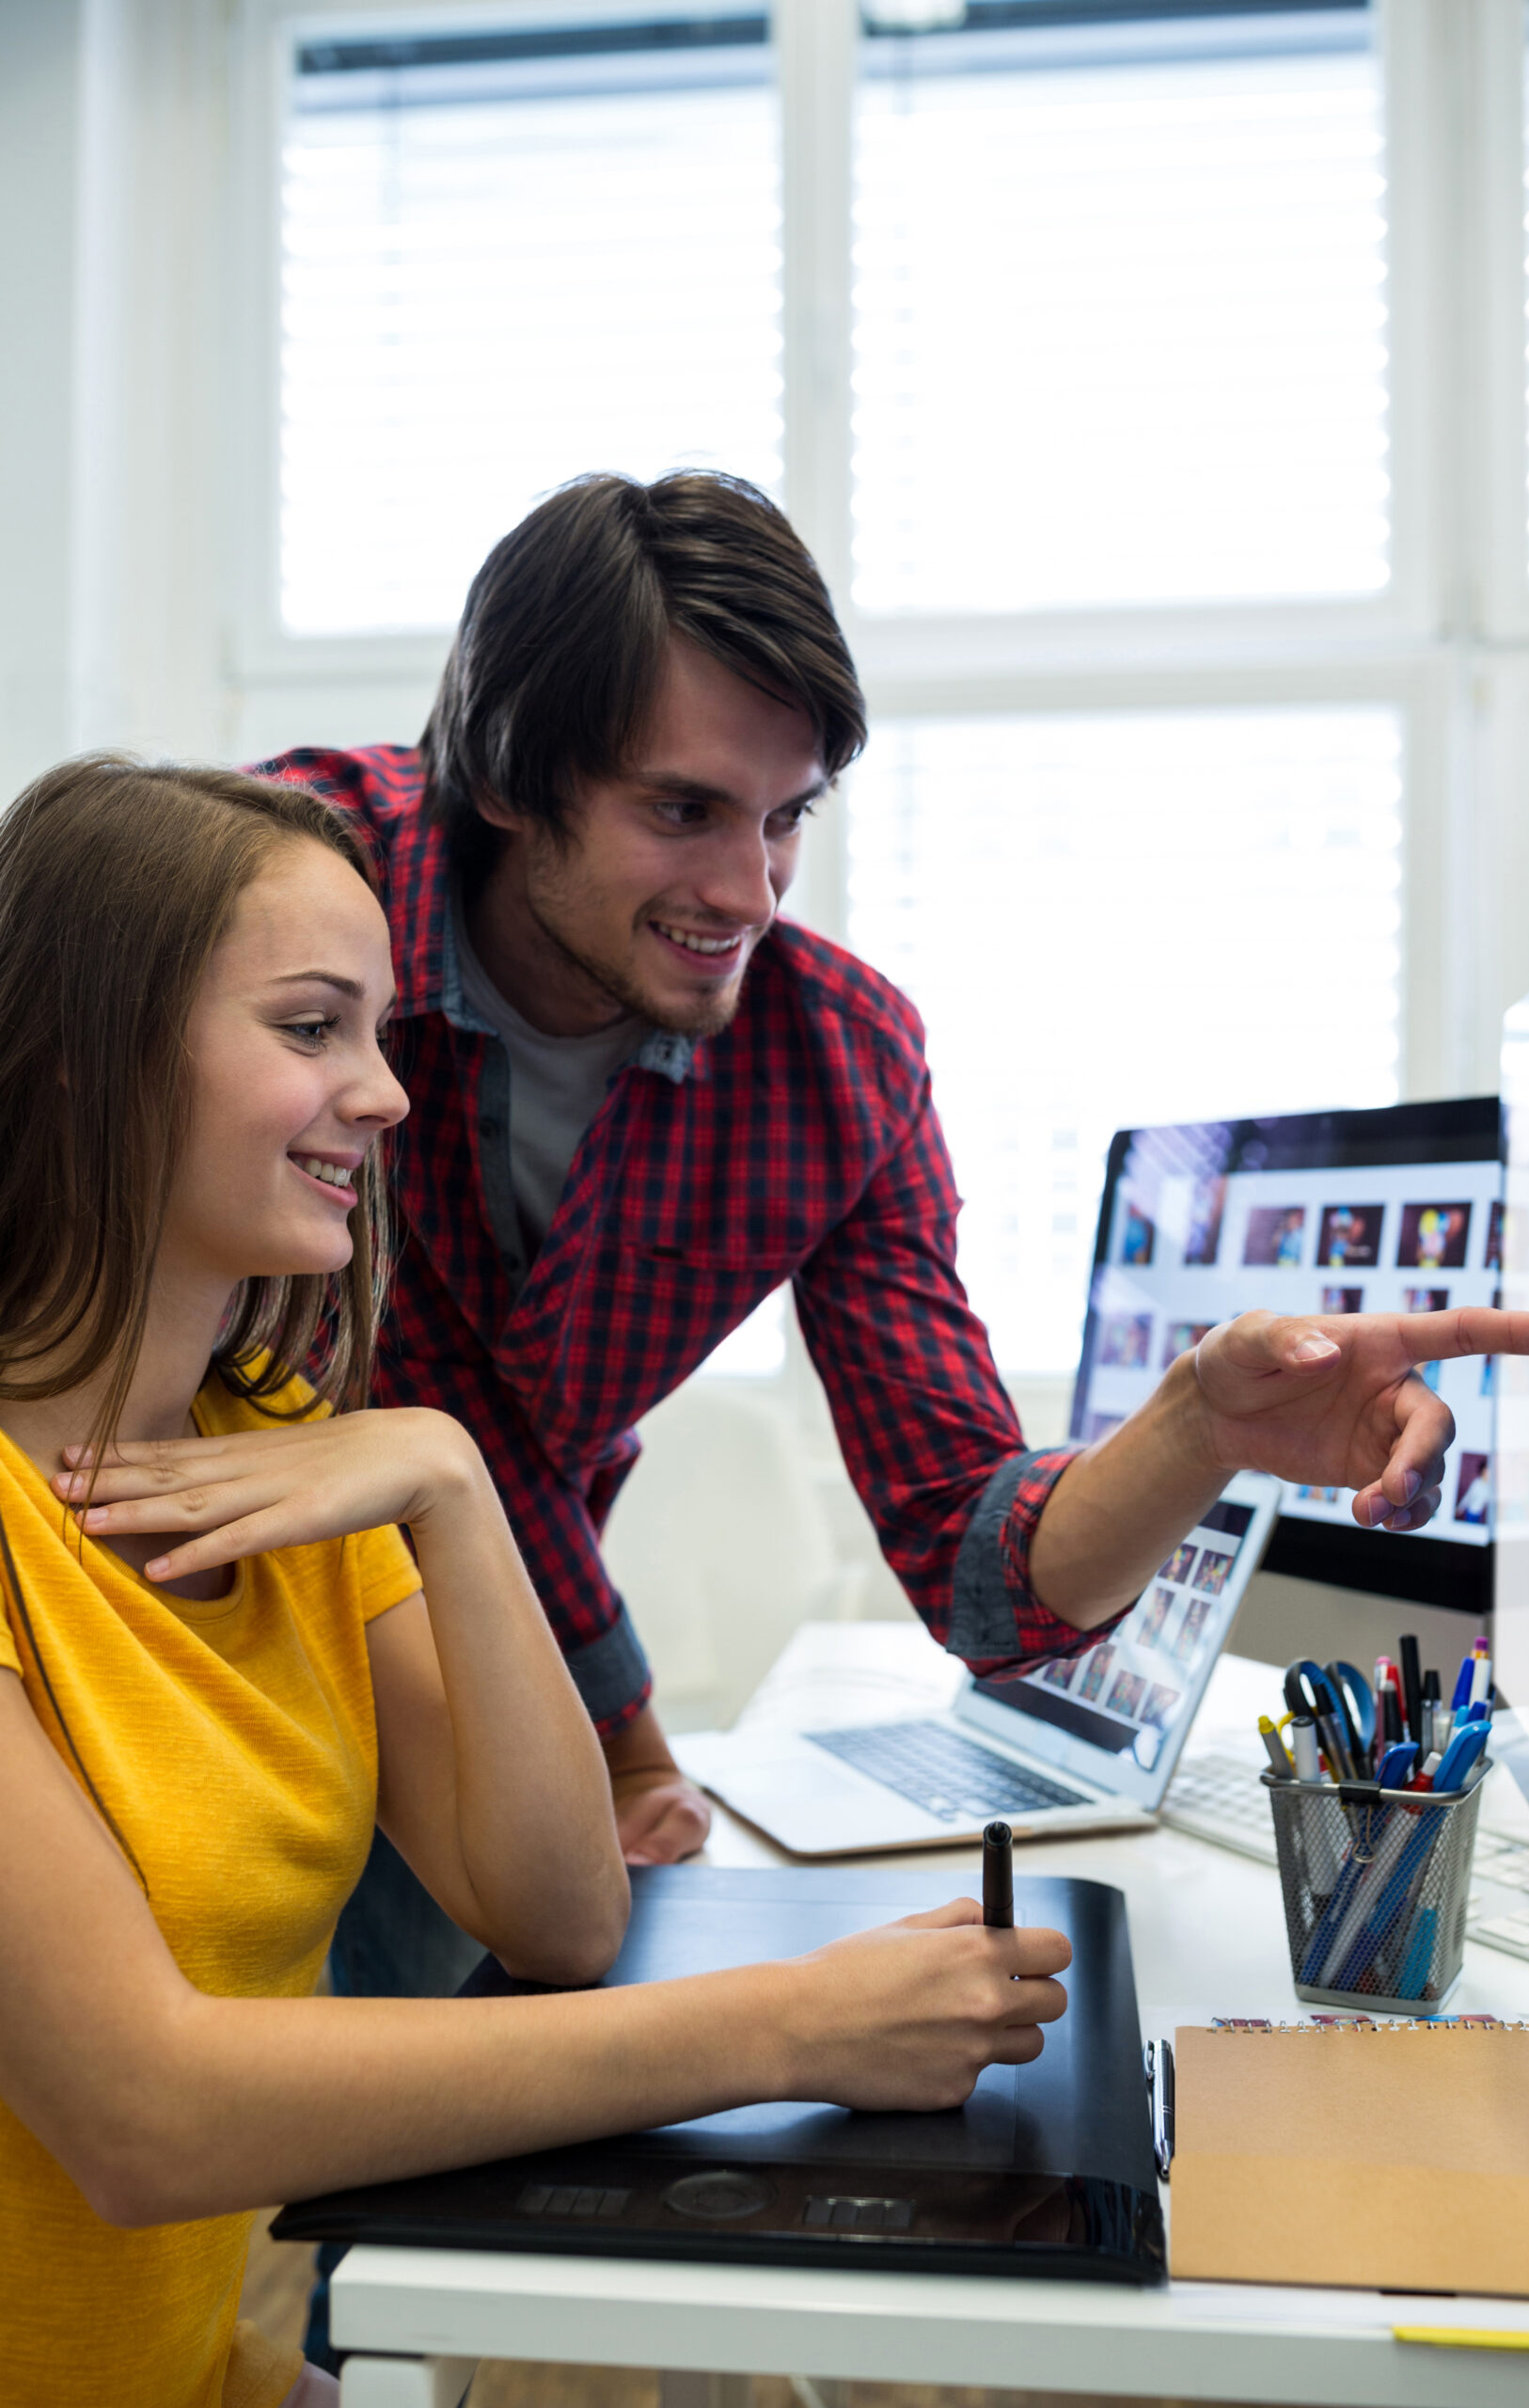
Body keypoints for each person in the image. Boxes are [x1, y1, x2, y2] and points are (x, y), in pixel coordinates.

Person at [254, 471, 1529, 1975]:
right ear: (508, 774)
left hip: (463, 1648)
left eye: (785, 818)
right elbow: (376, 1386)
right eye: (683, 810)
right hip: (181, 1624)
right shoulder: (286, 890)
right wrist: (619, 1724)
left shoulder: (835, 1061)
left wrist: (1199, 1428)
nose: (749, 892)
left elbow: (977, 1561)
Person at [0, 756, 1077, 2408]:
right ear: (81, 1058)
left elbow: (561, 1915)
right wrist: (794, 2027)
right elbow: (147, 2117)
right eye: (310, 1029)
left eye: (377, 1030)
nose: (386, 1094)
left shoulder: (281, 1448)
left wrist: (454, 1484)